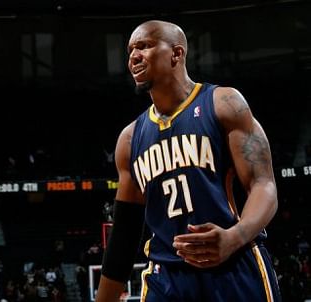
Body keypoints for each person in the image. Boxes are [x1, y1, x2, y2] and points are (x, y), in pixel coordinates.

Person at [95, 20, 281, 301]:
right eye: (131, 50)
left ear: (177, 53)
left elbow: (263, 185)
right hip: (166, 277)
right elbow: (124, 235)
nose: (133, 56)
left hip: (233, 266)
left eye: (144, 46)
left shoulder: (224, 103)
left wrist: (235, 237)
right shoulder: (129, 139)